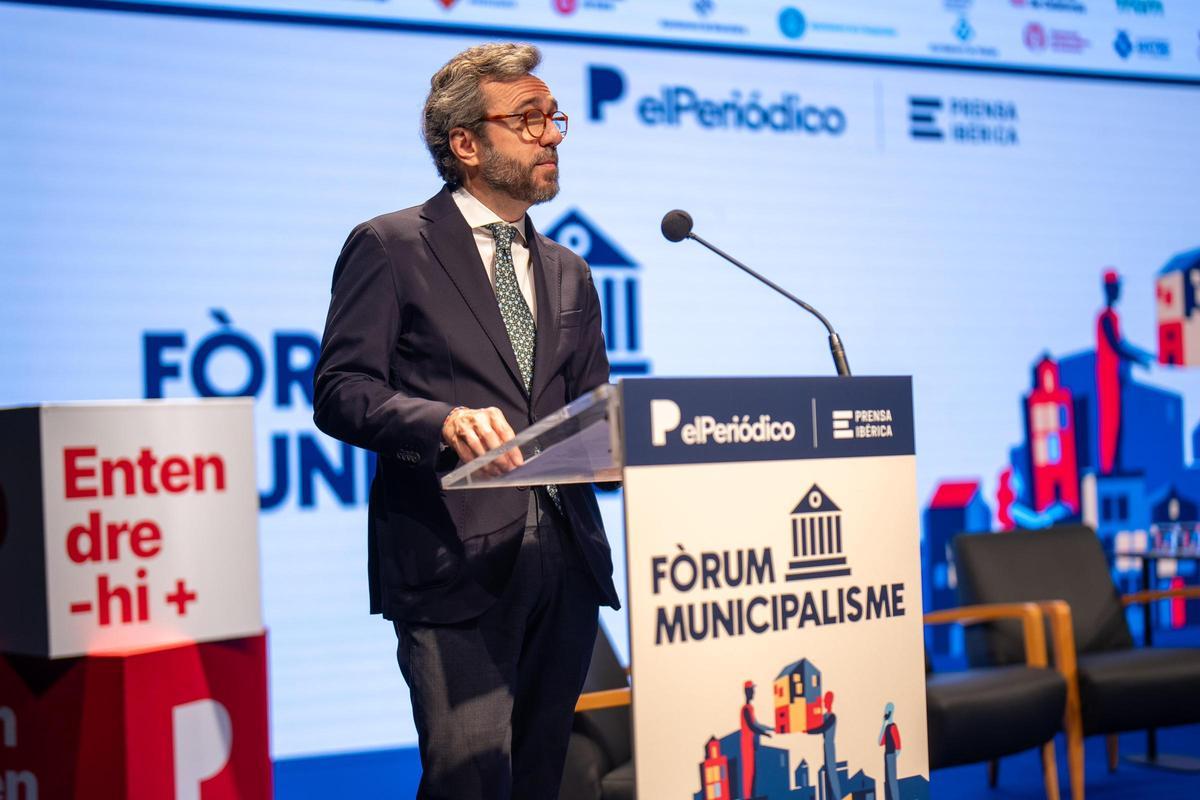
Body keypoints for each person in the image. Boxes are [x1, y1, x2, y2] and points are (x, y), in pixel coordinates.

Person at [312, 43, 619, 800]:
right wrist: (441, 420)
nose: (550, 135)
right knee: (469, 784)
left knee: (544, 780)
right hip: (454, 562)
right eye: (527, 119)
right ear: (466, 144)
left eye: (554, 118)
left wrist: (626, 444)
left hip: (566, 561)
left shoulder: (569, 270)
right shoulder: (391, 246)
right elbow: (341, 390)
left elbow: (591, 404)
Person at [739, 680, 774, 798]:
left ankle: (752, 796)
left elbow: (757, 724)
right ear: (747, 692)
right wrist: (765, 734)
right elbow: (752, 726)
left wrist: (771, 729)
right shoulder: (745, 709)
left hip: (751, 746)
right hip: (747, 746)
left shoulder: (750, 708)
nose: (753, 693)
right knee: (748, 774)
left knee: (753, 773)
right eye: (752, 690)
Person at [807, 690, 842, 800]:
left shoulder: (832, 717)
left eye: (826, 700)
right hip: (825, 746)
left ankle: (837, 797)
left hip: (830, 745)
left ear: (831, 701)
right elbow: (816, 724)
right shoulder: (824, 716)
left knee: (832, 773)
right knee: (827, 772)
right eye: (824, 700)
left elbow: (822, 728)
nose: (825, 702)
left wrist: (809, 731)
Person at [879, 702, 901, 800]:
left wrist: (893, 758)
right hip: (887, 755)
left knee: (892, 782)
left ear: (891, 712)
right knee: (888, 781)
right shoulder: (887, 727)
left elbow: (898, 747)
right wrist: (883, 723)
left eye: (887, 710)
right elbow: (880, 742)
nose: (885, 712)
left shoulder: (893, 727)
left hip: (891, 756)